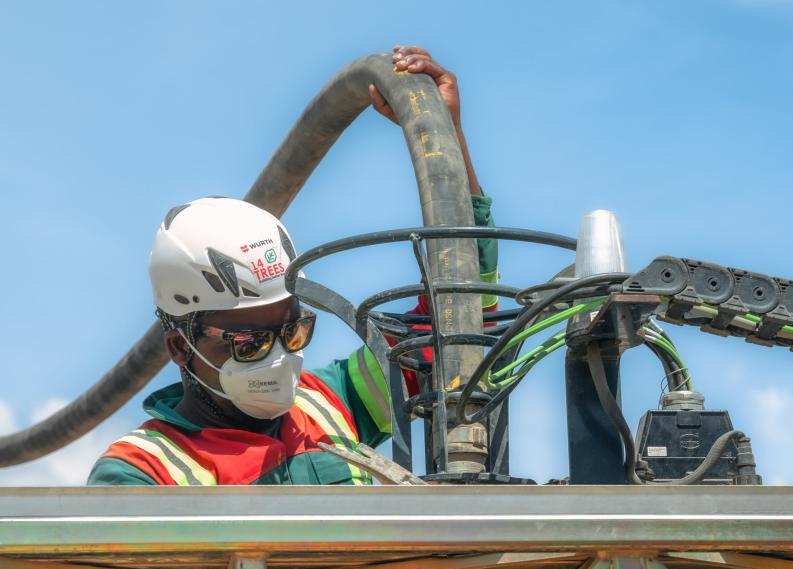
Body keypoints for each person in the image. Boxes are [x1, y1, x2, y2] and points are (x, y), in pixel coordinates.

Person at [88, 47, 498, 486]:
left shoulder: (329, 402)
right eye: (249, 343)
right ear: (178, 347)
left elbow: (456, 331)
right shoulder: (142, 473)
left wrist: (447, 140)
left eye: (293, 331)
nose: (279, 358)